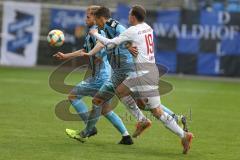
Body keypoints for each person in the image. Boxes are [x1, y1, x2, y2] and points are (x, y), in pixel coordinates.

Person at [90, 5, 193, 154]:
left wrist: (95, 34)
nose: (128, 17)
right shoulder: (147, 27)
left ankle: (184, 135)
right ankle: (142, 120)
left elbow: (111, 43)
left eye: (130, 15)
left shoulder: (132, 30)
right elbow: (133, 41)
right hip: (143, 72)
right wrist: (129, 44)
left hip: (144, 75)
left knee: (157, 112)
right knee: (121, 91)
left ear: (133, 17)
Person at [53, 5, 133, 145]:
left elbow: (101, 44)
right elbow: (84, 49)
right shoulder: (94, 31)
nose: (86, 19)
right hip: (106, 74)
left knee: (73, 96)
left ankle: (89, 128)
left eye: (89, 16)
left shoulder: (98, 31)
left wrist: (94, 53)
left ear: (96, 18)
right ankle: (126, 136)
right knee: (105, 109)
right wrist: (66, 56)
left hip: (100, 76)